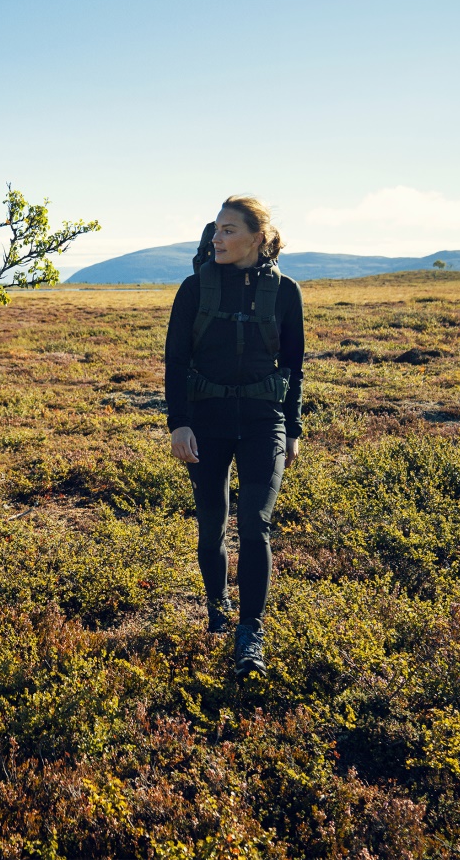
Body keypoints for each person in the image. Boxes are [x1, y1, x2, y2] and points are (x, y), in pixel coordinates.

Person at [164, 196, 304, 677]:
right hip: (206, 421)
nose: (217, 238)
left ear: (256, 237)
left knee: (255, 523)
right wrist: (179, 424)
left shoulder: (285, 292)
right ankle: (217, 608)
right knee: (212, 524)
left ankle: (251, 633)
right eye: (216, 230)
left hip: (265, 422)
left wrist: (294, 428)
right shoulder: (193, 289)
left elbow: (293, 367)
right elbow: (176, 363)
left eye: (229, 230)